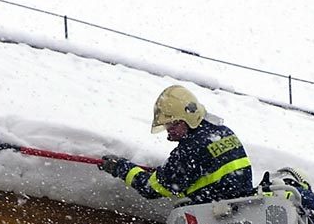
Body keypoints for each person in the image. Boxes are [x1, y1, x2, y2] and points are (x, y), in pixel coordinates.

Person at [99, 85, 254, 204]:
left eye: (173, 124)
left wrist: (120, 168)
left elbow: (151, 188)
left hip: (213, 219)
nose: (169, 130)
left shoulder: (189, 150)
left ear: (188, 120)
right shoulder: (223, 131)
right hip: (241, 210)